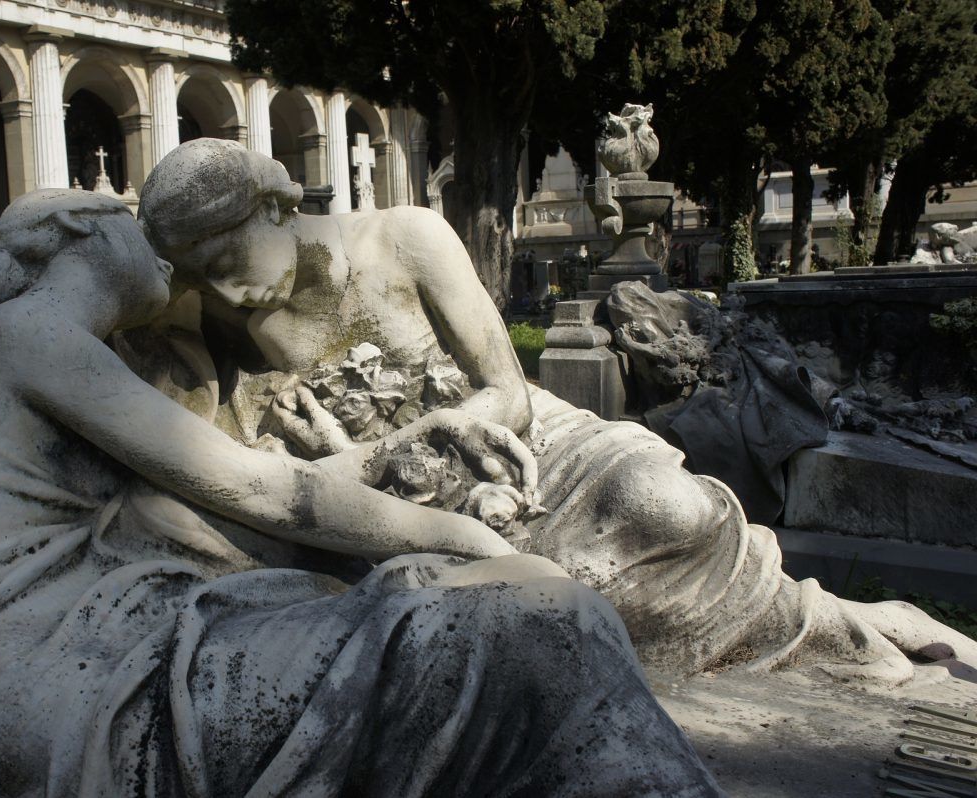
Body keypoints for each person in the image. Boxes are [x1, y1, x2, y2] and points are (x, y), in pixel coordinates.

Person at [0, 189, 721, 796]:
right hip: (52, 677)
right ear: (87, 230)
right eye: (143, 237)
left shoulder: (36, 341)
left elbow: (232, 498)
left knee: (510, 618)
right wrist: (466, 541)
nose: (187, 279)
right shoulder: (32, 336)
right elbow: (259, 489)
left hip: (78, 636)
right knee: (532, 625)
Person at [131, 139, 976, 683]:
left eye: (231, 257)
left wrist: (429, 433)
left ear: (279, 206)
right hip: (396, 493)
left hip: (521, 440)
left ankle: (832, 620)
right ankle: (832, 632)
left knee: (665, 504)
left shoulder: (404, 237)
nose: (232, 289)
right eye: (205, 274)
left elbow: (501, 388)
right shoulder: (221, 315)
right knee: (527, 610)